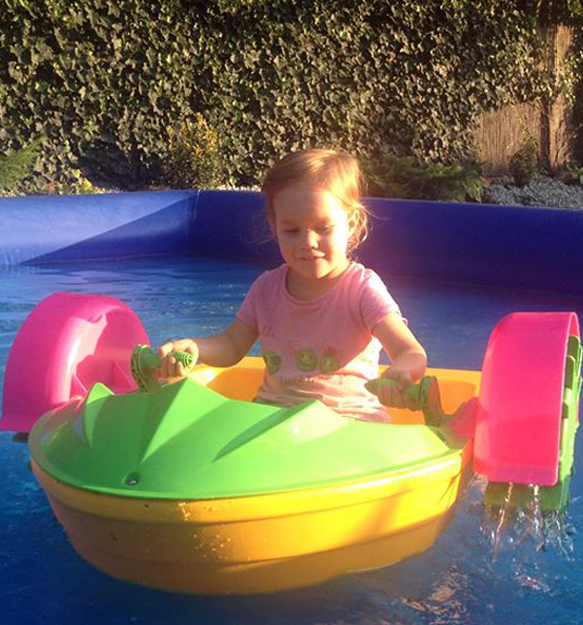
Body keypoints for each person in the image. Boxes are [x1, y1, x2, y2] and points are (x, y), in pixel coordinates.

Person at [157, 148, 427, 422]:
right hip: (273, 418)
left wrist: (401, 371)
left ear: (351, 223)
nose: (307, 242)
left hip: (349, 421)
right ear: (274, 227)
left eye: (323, 228)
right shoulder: (266, 289)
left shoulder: (361, 289)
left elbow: (410, 351)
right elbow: (232, 344)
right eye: (292, 231)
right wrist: (195, 347)